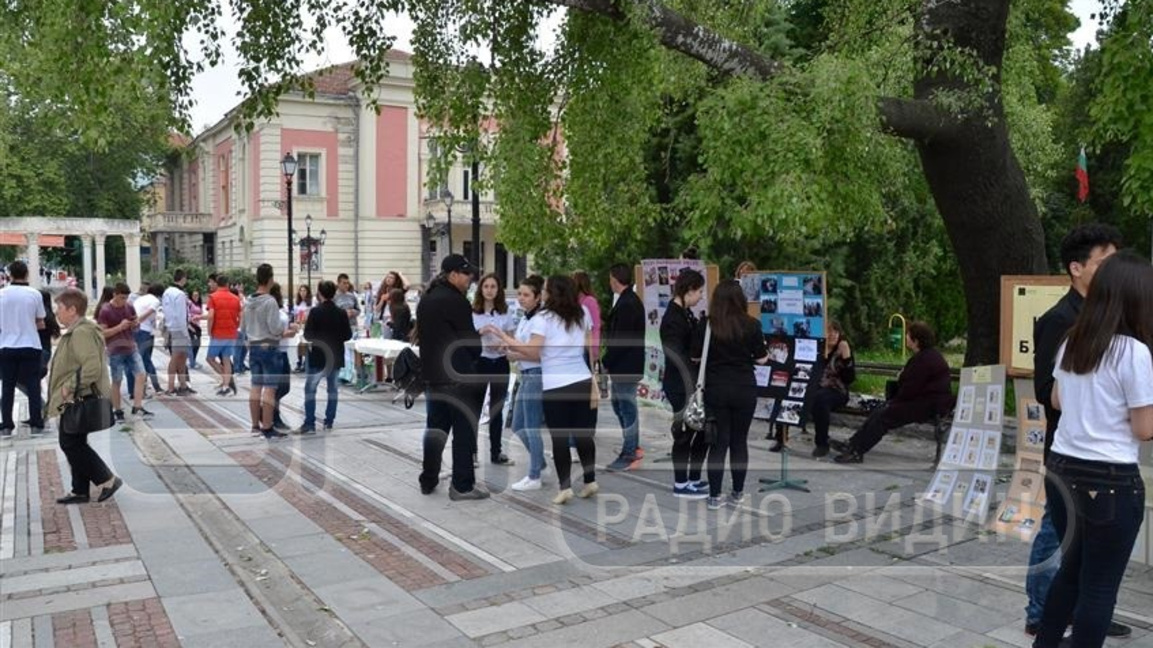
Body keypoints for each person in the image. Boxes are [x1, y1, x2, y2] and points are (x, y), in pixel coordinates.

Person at [1033, 251, 1153, 648]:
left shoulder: (1073, 341)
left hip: (1062, 469)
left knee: (1072, 571)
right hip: (1112, 481)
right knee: (1099, 588)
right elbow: (1144, 429)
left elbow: (1056, 400)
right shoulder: (1134, 353)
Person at [1026, 223, 1126, 638]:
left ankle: (1085, 612)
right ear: (1076, 268)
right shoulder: (1059, 320)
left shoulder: (1110, 317)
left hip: (1101, 452)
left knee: (1086, 539)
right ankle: (1039, 611)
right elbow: (1045, 390)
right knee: (1056, 529)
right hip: (1067, 450)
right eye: (1105, 262)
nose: (1114, 270)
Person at [485, 275, 598, 505]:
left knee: (560, 438)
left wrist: (505, 337)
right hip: (582, 379)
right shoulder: (582, 313)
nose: (543, 293)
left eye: (545, 290)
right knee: (583, 434)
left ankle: (565, 487)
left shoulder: (544, 318)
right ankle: (590, 480)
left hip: (556, 384)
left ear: (551, 293)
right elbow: (589, 348)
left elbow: (534, 352)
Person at [416, 254, 488, 501]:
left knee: (436, 428)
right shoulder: (456, 301)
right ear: (453, 274)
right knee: (464, 431)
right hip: (459, 376)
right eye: (467, 274)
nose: (470, 279)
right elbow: (471, 343)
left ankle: (428, 478)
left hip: (433, 376)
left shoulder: (426, 299)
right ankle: (462, 485)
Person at [832, 321, 953, 463]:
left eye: (908, 335)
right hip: (924, 401)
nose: (905, 338)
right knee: (880, 410)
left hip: (928, 406)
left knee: (884, 416)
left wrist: (900, 380)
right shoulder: (926, 356)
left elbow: (911, 387)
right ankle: (852, 445)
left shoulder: (925, 359)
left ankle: (856, 451)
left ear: (916, 340)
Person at [46, 289, 123, 504]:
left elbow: (92, 367)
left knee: (70, 442)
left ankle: (106, 479)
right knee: (75, 439)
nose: (57, 313)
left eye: (59, 308)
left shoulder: (81, 332)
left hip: (79, 396)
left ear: (72, 310)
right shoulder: (79, 330)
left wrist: (68, 387)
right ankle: (79, 490)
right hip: (77, 396)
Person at [698, 280, 769, 510]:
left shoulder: (707, 325)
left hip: (716, 389)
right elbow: (761, 358)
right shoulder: (752, 325)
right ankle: (737, 493)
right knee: (739, 442)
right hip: (744, 388)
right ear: (741, 300)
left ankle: (714, 497)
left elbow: (695, 358)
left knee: (718, 443)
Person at [660, 269, 709, 498]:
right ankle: (681, 483)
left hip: (691, 383)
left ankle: (693, 478)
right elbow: (676, 355)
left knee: (699, 430)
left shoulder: (685, 313)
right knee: (684, 432)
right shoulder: (672, 318)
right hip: (681, 384)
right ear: (688, 290)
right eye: (699, 291)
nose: (700, 296)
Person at [602, 263, 646, 471]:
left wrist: (607, 360)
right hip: (623, 364)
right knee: (619, 405)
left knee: (627, 409)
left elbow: (623, 338)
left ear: (614, 279)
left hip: (625, 365)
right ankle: (631, 446)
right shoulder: (627, 300)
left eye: (610, 278)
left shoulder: (628, 303)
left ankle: (630, 451)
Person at [508, 275, 547, 490]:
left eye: (526, 295)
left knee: (531, 426)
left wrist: (515, 354)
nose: (521, 298)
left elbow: (537, 354)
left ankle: (534, 476)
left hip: (536, 374)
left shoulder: (540, 320)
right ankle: (540, 463)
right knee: (517, 425)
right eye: (519, 294)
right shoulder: (525, 318)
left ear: (538, 297)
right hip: (526, 374)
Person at [297, 280, 352, 434]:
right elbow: (348, 335)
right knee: (332, 389)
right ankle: (329, 421)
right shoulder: (341, 312)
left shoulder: (315, 312)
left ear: (319, 293)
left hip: (318, 355)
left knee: (310, 389)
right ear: (334, 293)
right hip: (334, 356)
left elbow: (308, 334)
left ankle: (310, 422)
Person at [472, 273, 516, 466]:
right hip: (480, 361)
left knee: (497, 408)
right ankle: (471, 452)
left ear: (499, 290)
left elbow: (510, 338)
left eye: (493, 286)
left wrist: (503, 346)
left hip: (499, 361)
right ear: (481, 289)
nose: (490, 290)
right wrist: (480, 332)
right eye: (486, 286)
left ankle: (496, 451)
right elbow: (465, 337)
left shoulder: (505, 312)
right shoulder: (473, 312)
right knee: (474, 407)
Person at [0, 261, 46, 436]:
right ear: (27, 274)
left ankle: (6, 424)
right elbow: (40, 320)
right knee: (33, 384)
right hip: (30, 344)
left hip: (6, 345)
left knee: (7, 386)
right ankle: (36, 421)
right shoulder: (34, 294)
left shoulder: (2, 294)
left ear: (9, 275)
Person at [242, 264, 288, 439]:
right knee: (269, 388)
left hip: (253, 346)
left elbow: (243, 326)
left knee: (255, 386)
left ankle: (255, 425)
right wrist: (285, 331)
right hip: (269, 346)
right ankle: (267, 426)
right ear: (270, 278)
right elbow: (275, 328)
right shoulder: (270, 301)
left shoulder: (248, 300)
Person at [97, 283, 153, 421]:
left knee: (141, 374)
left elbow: (135, 323)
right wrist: (120, 327)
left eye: (126, 298)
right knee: (117, 379)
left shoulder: (128, 306)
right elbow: (102, 333)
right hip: (115, 350)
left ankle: (137, 406)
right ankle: (117, 409)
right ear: (115, 295)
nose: (124, 301)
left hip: (131, 347)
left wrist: (135, 325)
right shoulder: (105, 310)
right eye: (122, 298)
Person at [808, 320, 855, 458]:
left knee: (820, 399)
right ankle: (781, 438)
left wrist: (846, 359)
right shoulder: (818, 348)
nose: (833, 335)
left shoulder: (843, 348)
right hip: (817, 389)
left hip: (837, 391)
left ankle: (822, 444)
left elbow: (849, 379)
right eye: (829, 331)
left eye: (836, 331)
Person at [15, 289, 60, 427]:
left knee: (22, 380)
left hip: (38, 351)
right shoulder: (49, 314)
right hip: (44, 351)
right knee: (31, 382)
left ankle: (41, 407)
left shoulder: (41, 316)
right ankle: (37, 411)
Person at [268, 283, 299, 432]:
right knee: (279, 386)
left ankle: (273, 413)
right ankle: (272, 414)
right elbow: (273, 332)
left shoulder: (280, 309)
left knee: (284, 386)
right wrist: (289, 333)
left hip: (283, 350)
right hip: (276, 351)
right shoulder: (271, 309)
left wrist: (291, 327)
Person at [205, 274, 242, 396]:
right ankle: (226, 386)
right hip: (231, 333)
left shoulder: (213, 297)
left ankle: (226, 379)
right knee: (226, 359)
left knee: (210, 358)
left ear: (217, 283)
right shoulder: (235, 298)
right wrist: (236, 326)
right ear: (227, 284)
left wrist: (209, 330)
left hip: (218, 333)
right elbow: (240, 315)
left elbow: (210, 316)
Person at [161, 269, 194, 395]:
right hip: (180, 329)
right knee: (178, 358)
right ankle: (172, 386)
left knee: (180, 357)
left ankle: (182, 384)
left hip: (171, 327)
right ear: (183, 278)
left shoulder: (167, 292)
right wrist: (186, 332)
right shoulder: (180, 294)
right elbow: (181, 315)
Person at [132, 284, 164, 396]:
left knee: (145, 360)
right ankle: (143, 389)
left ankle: (155, 387)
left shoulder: (140, 299)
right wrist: (139, 320)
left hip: (136, 331)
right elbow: (149, 312)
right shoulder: (155, 300)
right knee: (143, 360)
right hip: (144, 331)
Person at [293, 285, 313, 372]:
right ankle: (299, 362)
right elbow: (295, 315)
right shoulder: (297, 303)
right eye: (301, 291)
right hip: (299, 325)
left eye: (304, 291)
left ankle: (306, 363)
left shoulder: (311, 303)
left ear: (307, 292)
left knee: (306, 344)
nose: (302, 293)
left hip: (307, 326)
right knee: (298, 343)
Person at [188, 289, 204, 370]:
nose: (196, 297)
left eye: (197, 295)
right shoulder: (189, 303)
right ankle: (192, 362)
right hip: (191, 325)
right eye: (194, 295)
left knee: (197, 344)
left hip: (197, 325)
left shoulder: (199, 304)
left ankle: (193, 360)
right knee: (192, 344)